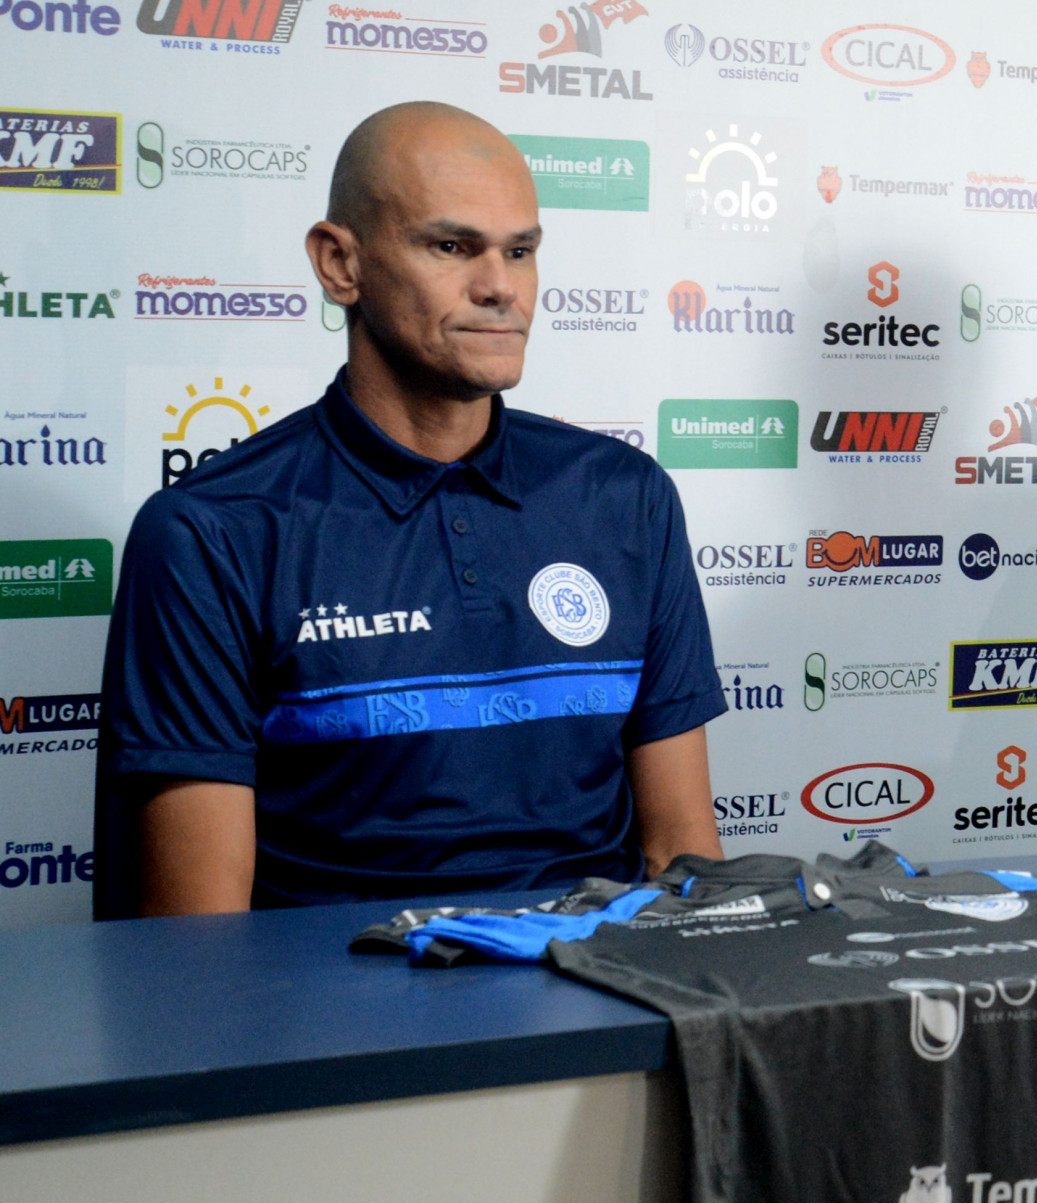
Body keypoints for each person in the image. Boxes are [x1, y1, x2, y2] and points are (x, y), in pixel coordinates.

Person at [94, 102, 726, 916]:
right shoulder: (210, 532)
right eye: (451, 246)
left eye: (521, 251)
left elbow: (682, 854)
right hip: (337, 1030)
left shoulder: (625, 496)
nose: (500, 286)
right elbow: (200, 947)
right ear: (339, 264)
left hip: (602, 1016)